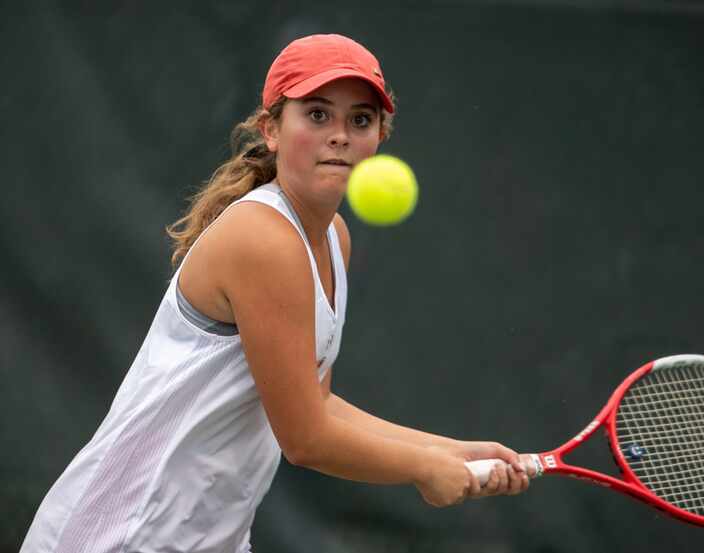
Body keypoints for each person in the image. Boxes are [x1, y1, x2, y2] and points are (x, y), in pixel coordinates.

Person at [21, 34, 529, 553]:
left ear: (379, 137)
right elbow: (305, 439)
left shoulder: (333, 240)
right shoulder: (263, 240)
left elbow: (319, 402)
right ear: (271, 130)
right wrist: (423, 470)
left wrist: (451, 451)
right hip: (119, 536)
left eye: (360, 120)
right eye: (316, 115)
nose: (340, 136)